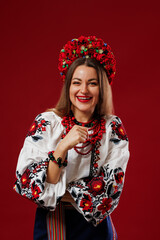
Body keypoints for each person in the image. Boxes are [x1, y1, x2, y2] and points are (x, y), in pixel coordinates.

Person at [13, 36, 130, 240]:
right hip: (52, 223)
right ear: (68, 86)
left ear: (102, 88)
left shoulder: (113, 128)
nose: (83, 90)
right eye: (77, 82)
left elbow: (109, 193)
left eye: (92, 83)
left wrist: (55, 188)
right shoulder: (46, 123)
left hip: (96, 228)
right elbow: (26, 181)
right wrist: (62, 147)